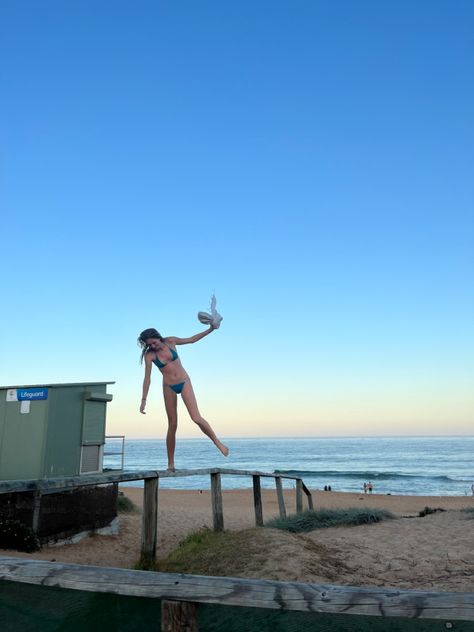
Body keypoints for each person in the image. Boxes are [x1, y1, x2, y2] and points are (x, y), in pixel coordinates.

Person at [138, 325, 229, 470]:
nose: (152, 346)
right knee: (172, 425)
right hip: (168, 387)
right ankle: (171, 463)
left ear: (158, 336)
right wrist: (143, 400)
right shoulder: (150, 355)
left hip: (184, 381)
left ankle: (218, 443)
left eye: (153, 342)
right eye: (149, 345)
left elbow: (192, 340)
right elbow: (147, 379)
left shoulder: (171, 341)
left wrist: (211, 329)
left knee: (196, 417)